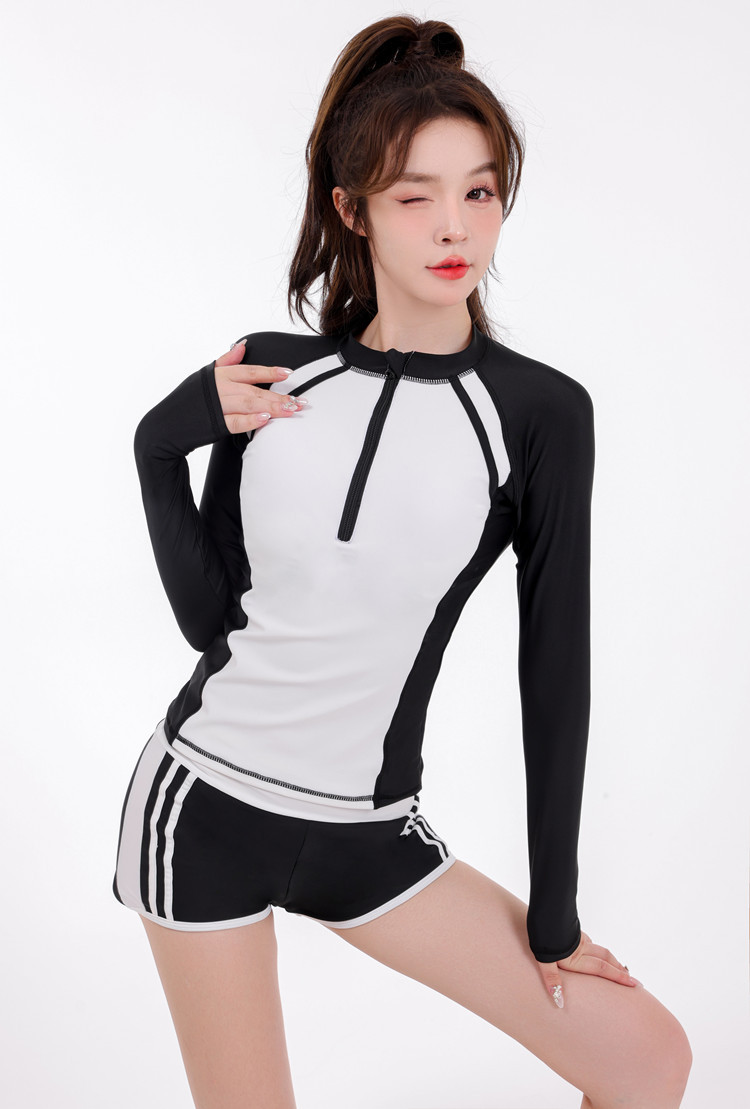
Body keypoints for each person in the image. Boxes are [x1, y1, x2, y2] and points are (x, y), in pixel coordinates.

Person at [112, 13, 692, 1109]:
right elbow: (214, 625)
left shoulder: (538, 414)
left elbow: (553, 670)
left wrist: (555, 917)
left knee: (646, 1057)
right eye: (415, 195)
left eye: (480, 190)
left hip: (368, 831)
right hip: (202, 806)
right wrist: (160, 442)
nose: (454, 225)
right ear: (354, 210)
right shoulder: (274, 375)